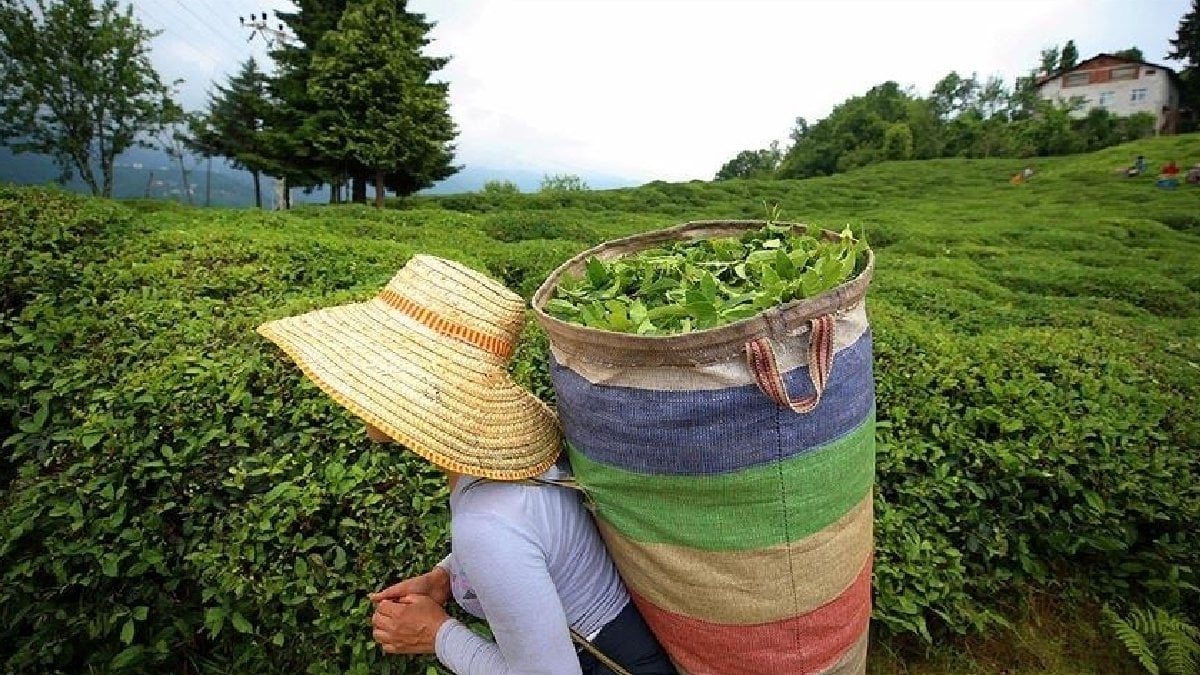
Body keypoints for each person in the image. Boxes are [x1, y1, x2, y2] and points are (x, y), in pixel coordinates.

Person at [257, 254, 676, 675]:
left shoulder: (486, 526)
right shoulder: (509, 468)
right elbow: (538, 543)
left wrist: (437, 635)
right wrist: (444, 578)